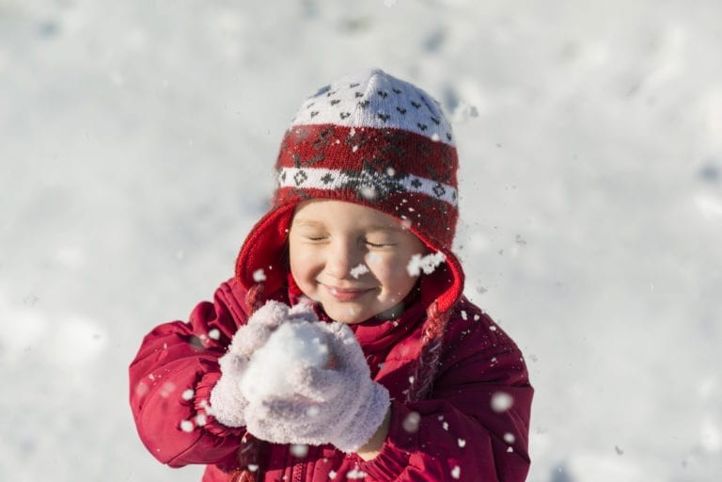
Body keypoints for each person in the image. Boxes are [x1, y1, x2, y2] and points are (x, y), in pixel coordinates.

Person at [129, 68, 534, 482]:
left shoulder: (472, 351)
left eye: (376, 243)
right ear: (285, 233)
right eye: (316, 236)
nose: (341, 265)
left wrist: (369, 424)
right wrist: (224, 397)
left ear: (427, 247)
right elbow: (158, 398)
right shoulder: (248, 310)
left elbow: (488, 470)